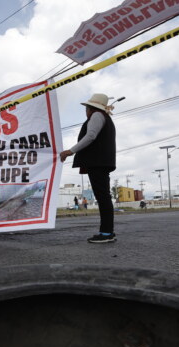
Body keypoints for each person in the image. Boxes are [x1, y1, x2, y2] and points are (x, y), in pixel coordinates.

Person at [60, 93, 117, 243]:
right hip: (102, 162)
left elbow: (91, 136)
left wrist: (70, 151)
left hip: (97, 162)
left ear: (90, 108)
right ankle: (107, 232)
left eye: (86, 108)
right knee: (104, 197)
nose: (85, 112)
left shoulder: (97, 116)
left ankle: (106, 233)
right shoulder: (105, 117)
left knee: (103, 197)